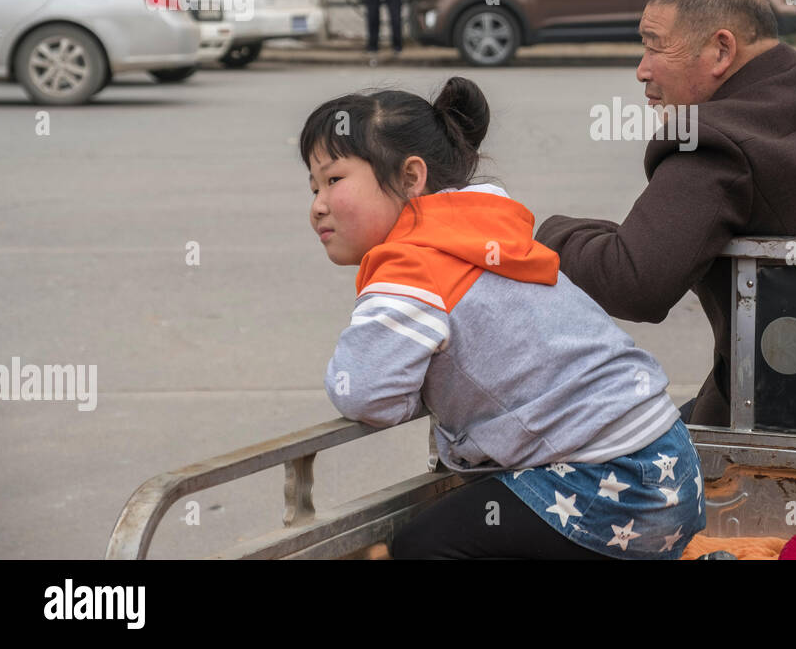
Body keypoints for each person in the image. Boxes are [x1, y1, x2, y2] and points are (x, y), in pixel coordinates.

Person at [301, 78, 705, 559]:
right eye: (312, 186)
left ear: (411, 178)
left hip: (608, 485)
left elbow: (364, 392)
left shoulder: (413, 264)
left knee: (423, 547)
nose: (317, 205)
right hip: (668, 465)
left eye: (334, 179)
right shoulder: (486, 232)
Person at [536, 0, 796, 427]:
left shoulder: (714, 140)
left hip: (783, 409)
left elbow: (635, 279)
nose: (642, 70)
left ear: (721, 50)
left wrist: (545, 234)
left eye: (654, 46)